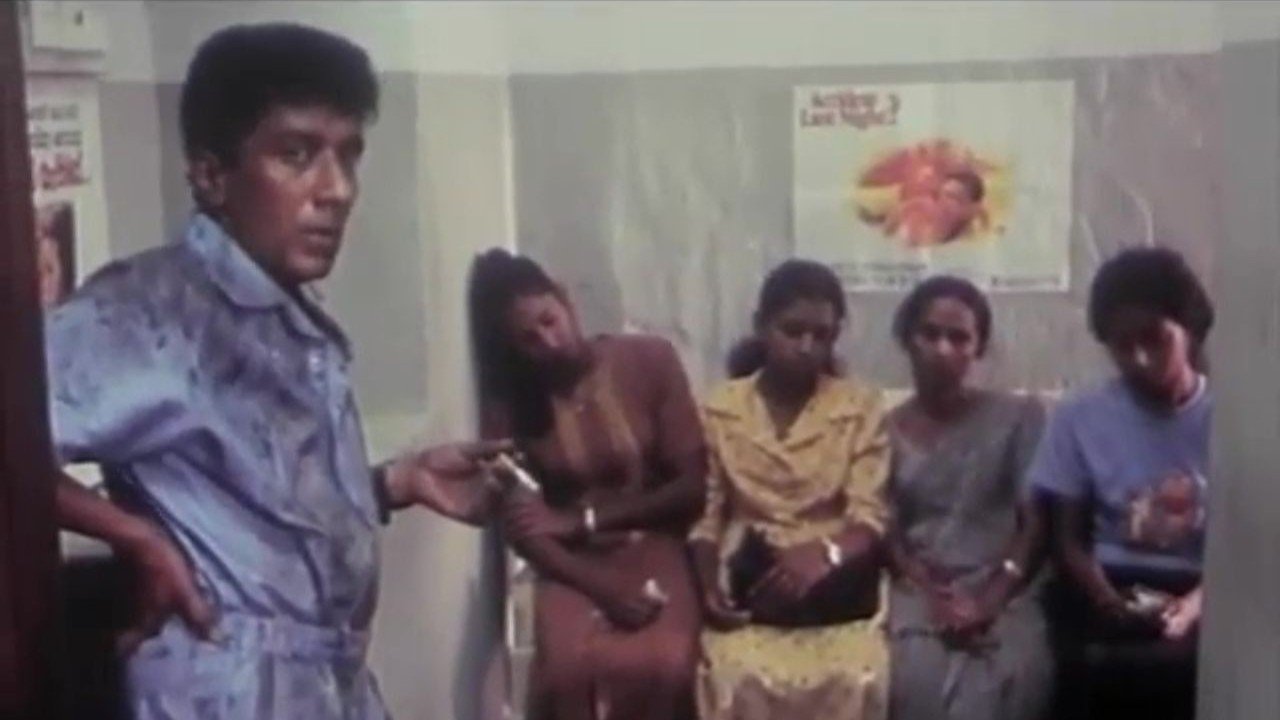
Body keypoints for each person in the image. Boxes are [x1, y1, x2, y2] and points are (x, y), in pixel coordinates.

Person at [48, 24, 504, 718]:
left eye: (349, 155)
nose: (337, 190)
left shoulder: (281, 312)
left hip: (324, 687)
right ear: (212, 175)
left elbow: (253, 501)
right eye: (297, 154)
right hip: (224, 687)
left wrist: (393, 483)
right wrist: (133, 536)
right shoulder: (152, 312)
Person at [447, 248, 706, 720]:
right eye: (528, 339)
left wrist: (583, 519)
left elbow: (691, 488)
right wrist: (604, 588)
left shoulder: (650, 359)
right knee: (567, 673)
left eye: (550, 320)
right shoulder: (516, 405)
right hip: (571, 568)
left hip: (655, 544)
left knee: (666, 664)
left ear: (566, 301)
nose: (549, 342)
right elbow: (525, 528)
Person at [690, 259, 891, 719]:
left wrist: (826, 555)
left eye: (822, 335)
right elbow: (707, 515)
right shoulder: (721, 408)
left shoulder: (859, 406)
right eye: (792, 331)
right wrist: (708, 588)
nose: (806, 347)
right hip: (750, 575)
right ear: (761, 327)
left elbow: (869, 516)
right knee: (730, 674)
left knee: (857, 676)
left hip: (836, 585)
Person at [1030, 247, 1212, 720]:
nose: (1140, 358)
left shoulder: (1231, 417)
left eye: (1155, 339)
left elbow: (1247, 549)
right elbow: (1068, 539)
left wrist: (1195, 604)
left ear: (1187, 329)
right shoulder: (1080, 416)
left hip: (1203, 585)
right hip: (1107, 582)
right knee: (1090, 675)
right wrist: (1105, 598)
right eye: (1122, 346)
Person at [885, 276, 1052, 720]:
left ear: (978, 348)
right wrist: (932, 595)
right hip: (920, 587)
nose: (943, 349)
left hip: (1007, 585)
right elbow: (889, 532)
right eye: (930, 334)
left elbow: (1034, 521)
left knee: (1017, 671)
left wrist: (990, 599)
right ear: (907, 340)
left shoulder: (1018, 418)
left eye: (959, 338)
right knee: (913, 677)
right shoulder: (884, 431)